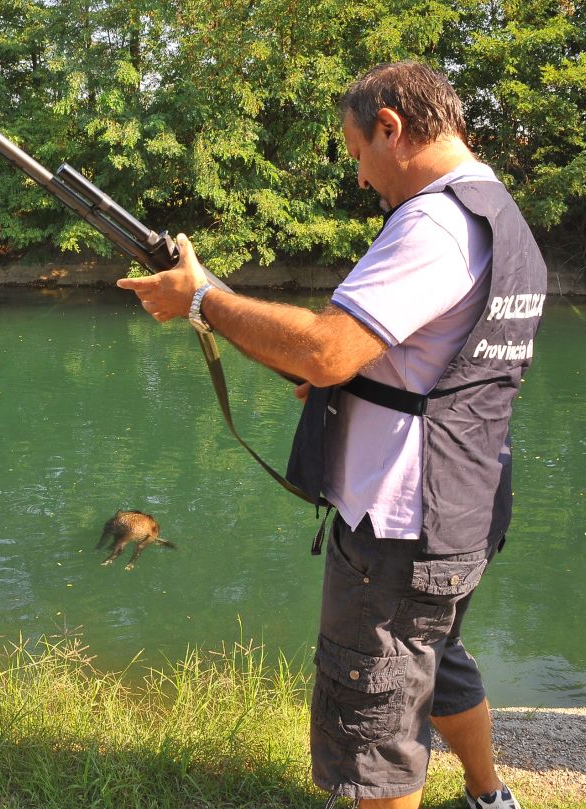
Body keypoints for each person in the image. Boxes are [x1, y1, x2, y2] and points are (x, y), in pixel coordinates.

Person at [117, 61, 546, 809]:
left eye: (356, 152)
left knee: (376, 732)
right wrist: (358, 376)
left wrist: (203, 298)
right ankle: (490, 797)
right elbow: (452, 360)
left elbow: (324, 347)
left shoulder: (432, 222)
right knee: (436, 661)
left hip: (399, 527)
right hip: (466, 506)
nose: (357, 176)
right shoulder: (496, 213)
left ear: (392, 127)